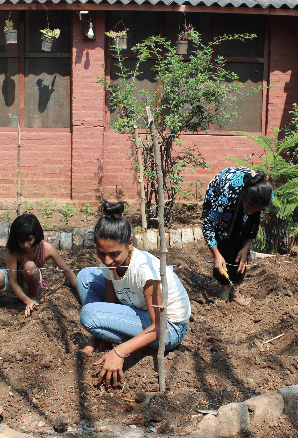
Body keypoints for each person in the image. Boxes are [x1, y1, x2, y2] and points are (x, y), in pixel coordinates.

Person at [77, 202, 191, 388]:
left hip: (169, 328)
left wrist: (120, 352)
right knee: (85, 277)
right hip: (138, 310)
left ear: (130, 243)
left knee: (90, 315)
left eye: (114, 254)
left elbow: (159, 327)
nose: (106, 261)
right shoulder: (110, 264)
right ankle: (108, 345)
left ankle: (135, 346)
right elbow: (111, 307)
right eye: (100, 253)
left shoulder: (146, 272)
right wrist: (92, 346)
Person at [201, 166, 273, 305]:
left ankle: (235, 290)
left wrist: (246, 248)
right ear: (244, 200)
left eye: (255, 210)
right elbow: (208, 225)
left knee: (241, 246)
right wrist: (217, 255)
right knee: (224, 235)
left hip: (246, 197)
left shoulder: (264, 196)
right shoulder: (227, 196)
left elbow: (253, 225)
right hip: (220, 192)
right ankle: (224, 288)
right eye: (249, 209)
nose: (251, 213)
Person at [0, 213, 77, 317]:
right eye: (21, 241)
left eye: (29, 239)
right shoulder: (14, 251)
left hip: (32, 279)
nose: (26, 245)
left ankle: (33, 295)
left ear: (37, 235)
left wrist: (80, 289)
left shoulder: (47, 248)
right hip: (15, 279)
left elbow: (67, 271)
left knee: (30, 266)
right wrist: (26, 301)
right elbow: (13, 281)